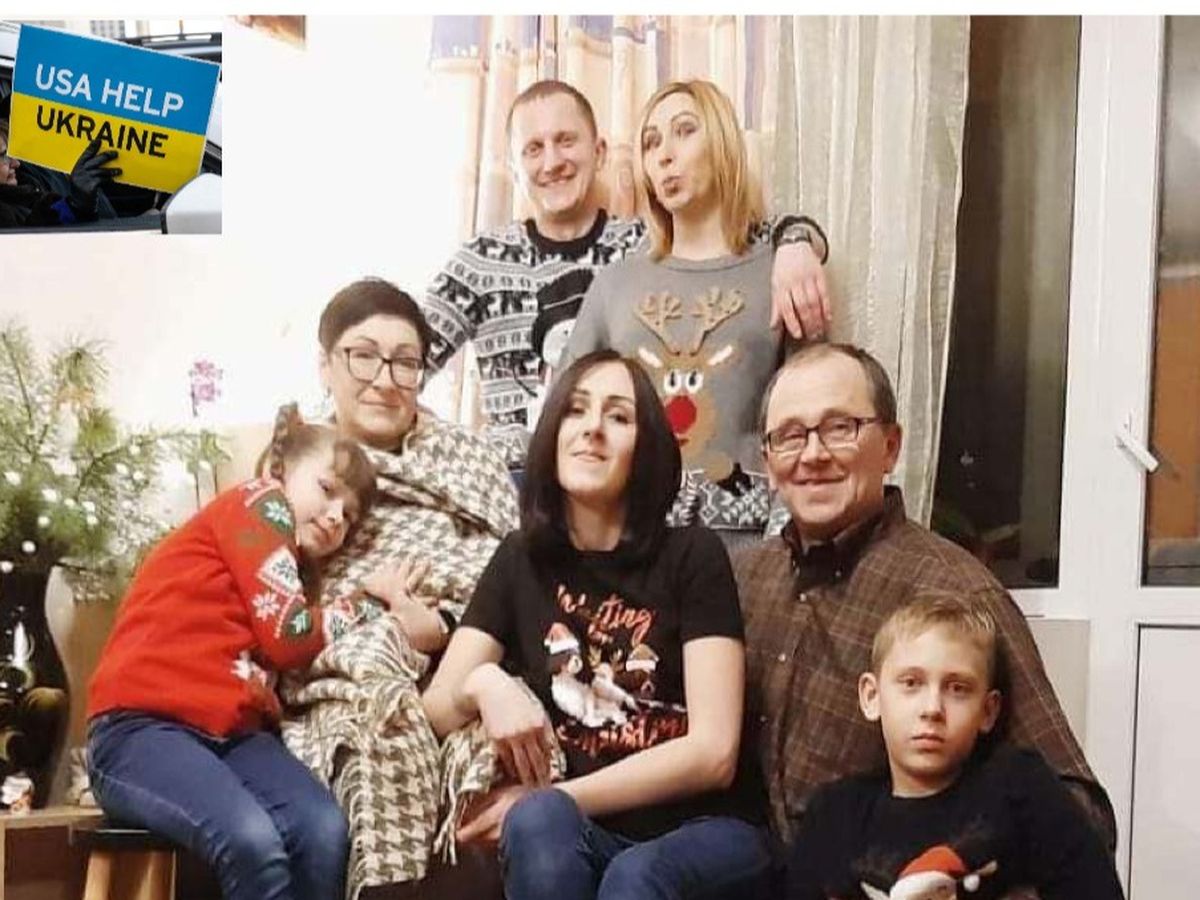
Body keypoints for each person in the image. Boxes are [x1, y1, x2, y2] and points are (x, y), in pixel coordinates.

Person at [734, 341, 1118, 853]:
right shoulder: (743, 579)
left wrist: (949, 870)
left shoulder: (955, 591)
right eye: (789, 436)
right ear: (767, 462)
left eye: (840, 428)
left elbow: (1082, 817)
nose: (813, 454)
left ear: (891, 447)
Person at [422, 349, 771, 900]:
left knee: (628, 873)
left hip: (703, 827)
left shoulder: (692, 555)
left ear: (645, 448)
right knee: (539, 825)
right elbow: (436, 709)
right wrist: (485, 683)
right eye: (576, 410)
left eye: (619, 416)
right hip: (581, 832)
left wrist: (560, 797)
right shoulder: (520, 561)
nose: (592, 429)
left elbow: (714, 753)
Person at [421, 79, 830, 470]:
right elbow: (402, 360)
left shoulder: (639, 243)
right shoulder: (480, 261)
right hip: (524, 473)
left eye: (566, 141)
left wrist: (797, 240)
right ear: (513, 167)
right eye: (533, 149)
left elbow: (733, 243)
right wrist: (452, 452)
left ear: (600, 152)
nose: (552, 162)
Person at [278, 278, 519, 896]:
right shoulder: (298, 467)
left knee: (495, 767)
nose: (385, 380)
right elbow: (272, 591)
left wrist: (443, 626)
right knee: (376, 736)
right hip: (342, 680)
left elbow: (514, 576)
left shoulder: (470, 460)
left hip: (470, 662)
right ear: (326, 365)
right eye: (363, 356)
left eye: (405, 362)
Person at [86, 408, 387, 900]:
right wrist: (368, 603)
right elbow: (288, 637)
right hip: (140, 729)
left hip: (231, 736)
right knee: (252, 841)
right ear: (279, 469)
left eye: (350, 516)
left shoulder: (293, 565)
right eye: (327, 489)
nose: (337, 517)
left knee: (324, 831)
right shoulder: (260, 503)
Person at [562, 79, 793, 546]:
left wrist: (779, 550)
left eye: (685, 131)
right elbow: (562, 414)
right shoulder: (616, 283)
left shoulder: (780, 271)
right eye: (650, 143)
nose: (664, 155)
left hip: (743, 543)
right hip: (629, 542)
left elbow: (807, 421)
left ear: (722, 141)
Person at [785, 593, 1124, 900]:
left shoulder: (1018, 787)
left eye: (958, 688)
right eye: (911, 683)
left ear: (988, 711)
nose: (932, 708)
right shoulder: (833, 813)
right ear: (872, 697)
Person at [0, 126, 120, 227]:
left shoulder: (29, 181)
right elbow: (35, 243)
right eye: (3, 156)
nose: (16, 163)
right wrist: (75, 206)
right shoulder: (6, 217)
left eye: (10, 154)